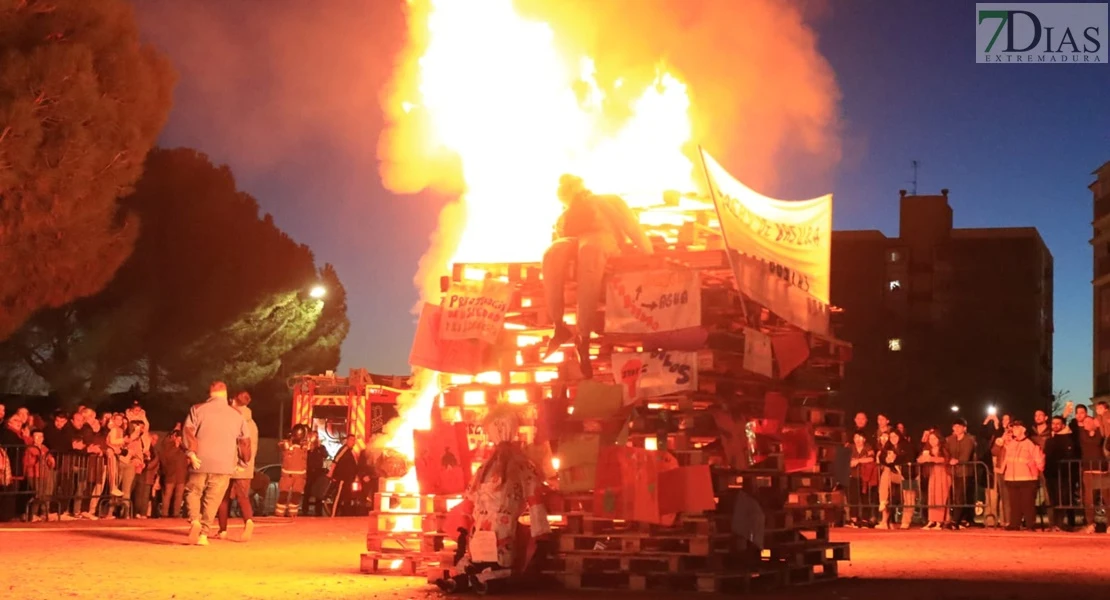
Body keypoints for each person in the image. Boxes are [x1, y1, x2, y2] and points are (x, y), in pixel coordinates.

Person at [541, 174, 653, 376]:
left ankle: (583, 337)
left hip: (604, 237)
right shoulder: (566, 215)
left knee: (589, 252)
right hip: (576, 239)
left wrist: (648, 254)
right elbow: (562, 236)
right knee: (552, 253)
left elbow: (631, 226)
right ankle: (558, 326)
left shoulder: (608, 200)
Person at [183, 381, 251, 546]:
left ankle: (194, 521)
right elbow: (245, 441)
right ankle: (204, 534)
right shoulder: (236, 414)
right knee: (213, 500)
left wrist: (191, 453)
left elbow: (188, 430)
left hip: (201, 461)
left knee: (193, 492)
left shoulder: (197, 409)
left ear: (210, 393)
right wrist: (243, 461)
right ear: (225, 394)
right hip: (224, 464)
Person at [217, 392, 259, 541]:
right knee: (243, 497)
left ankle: (222, 530)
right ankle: (248, 521)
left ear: (234, 402)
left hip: (229, 463)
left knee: (223, 497)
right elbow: (253, 446)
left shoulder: (231, 420)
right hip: (246, 465)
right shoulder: (252, 423)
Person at [994, 420, 1044, 531]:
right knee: (1014, 503)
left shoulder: (1031, 443)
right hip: (1011, 477)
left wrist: (1036, 468)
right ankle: (1014, 524)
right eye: (1013, 428)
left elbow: (1039, 460)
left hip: (1028, 478)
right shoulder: (1010, 443)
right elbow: (997, 453)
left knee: (1028, 503)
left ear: (1023, 429)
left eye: (1016, 428)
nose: (1013, 431)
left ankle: (1030, 524)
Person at [1043, 415, 1075, 531]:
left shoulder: (1068, 439)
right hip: (1050, 474)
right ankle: (1053, 524)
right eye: (1053, 423)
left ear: (1063, 425)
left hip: (1063, 474)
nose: (1055, 425)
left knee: (1062, 499)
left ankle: (1059, 524)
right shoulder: (1049, 440)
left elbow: (1069, 455)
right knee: (1053, 500)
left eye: (1058, 423)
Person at [945, 418, 977, 529]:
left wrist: (957, 461)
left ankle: (956, 521)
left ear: (964, 428)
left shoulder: (969, 440)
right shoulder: (950, 440)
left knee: (960, 496)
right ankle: (956, 519)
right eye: (955, 426)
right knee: (953, 497)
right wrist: (949, 460)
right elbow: (946, 452)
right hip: (953, 472)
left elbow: (966, 456)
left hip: (964, 472)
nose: (956, 429)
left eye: (959, 426)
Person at [917, 429, 951, 530]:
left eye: (934, 438)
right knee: (932, 497)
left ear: (939, 439)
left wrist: (932, 459)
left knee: (941, 496)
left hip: (943, 474)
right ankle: (932, 520)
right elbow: (919, 459)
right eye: (930, 439)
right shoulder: (927, 449)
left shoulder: (943, 448)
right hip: (932, 474)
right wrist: (923, 459)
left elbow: (946, 459)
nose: (932, 441)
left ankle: (941, 520)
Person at [276, 424, 310, 518]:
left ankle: (282, 513)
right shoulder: (303, 445)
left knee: (290, 495)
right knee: (294, 495)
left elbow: (280, 445)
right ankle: (291, 513)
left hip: (289, 475)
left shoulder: (293, 444)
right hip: (297, 476)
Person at [329, 435, 359, 516]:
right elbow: (336, 460)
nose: (353, 442)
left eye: (354, 440)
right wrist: (331, 473)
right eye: (351, 440)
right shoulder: (344, 449)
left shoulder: (352, 452)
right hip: (341, 478)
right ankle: (333, 514)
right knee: (338, 497)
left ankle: (346, 515)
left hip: (349, 480)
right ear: (347, 440)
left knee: (347, 498)